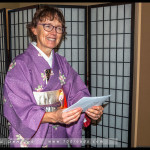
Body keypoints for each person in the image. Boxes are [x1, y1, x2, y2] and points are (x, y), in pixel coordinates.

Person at [3, 6, 104, 148]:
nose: (53, 32)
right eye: (47, 26)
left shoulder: (62, 63)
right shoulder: (20, 65)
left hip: (58, 134)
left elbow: (77, 94)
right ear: (34, 29)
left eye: (58, 28)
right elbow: (18, 106)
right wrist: (54, 116)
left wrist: (89, 108)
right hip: (31, 138)